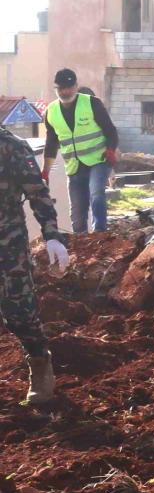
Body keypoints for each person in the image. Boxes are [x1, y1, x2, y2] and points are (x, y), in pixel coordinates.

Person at [1, 126, 69, 404]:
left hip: (8, 246)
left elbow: (37, 193)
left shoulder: (12, 147)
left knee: (20, 312)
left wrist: (52, 235)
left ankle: (40, 360)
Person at [42, 68, 119, 233]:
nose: (65, 91)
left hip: (99, 160)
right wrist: (45, 171)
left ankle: (100, 232)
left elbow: (111, 131)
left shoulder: (92, 103)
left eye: (69, 87)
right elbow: (51, 144)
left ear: (76, 86)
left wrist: (111, 150)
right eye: (61, 88)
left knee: (96, 192)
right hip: (74, 167)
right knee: (77, 211)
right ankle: (81, 241)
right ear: (56, 89)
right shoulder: (51, 112)